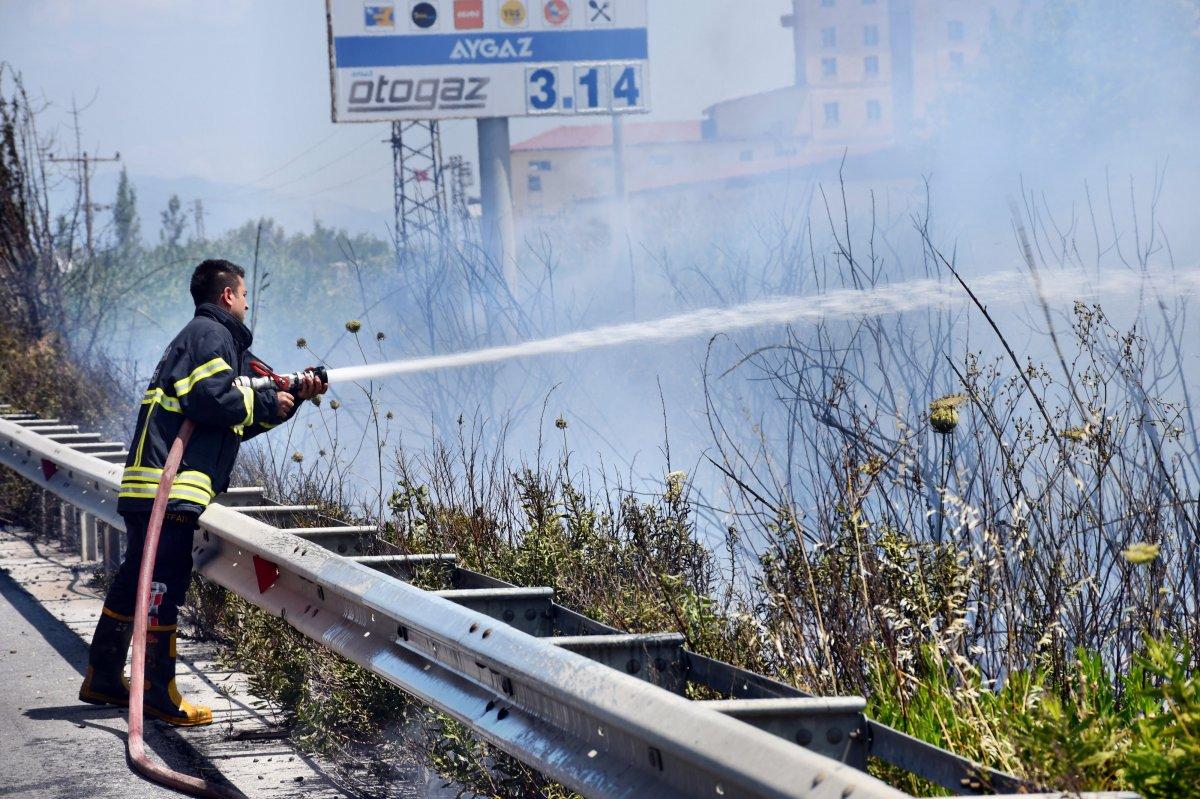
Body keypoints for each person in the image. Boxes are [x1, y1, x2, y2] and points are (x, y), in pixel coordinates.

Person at [78, 258, 325, 725]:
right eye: (245, 294)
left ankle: (104, 676)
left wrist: (286, 401)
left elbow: (226, 418)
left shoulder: (204, 339)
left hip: (151, 486)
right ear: (228, 295)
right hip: (168, 489)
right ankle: (157, 693)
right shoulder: (212, 335)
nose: (249, 303)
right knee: (162, 584)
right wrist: (269, 398)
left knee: (139, 578)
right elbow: (209, 399)